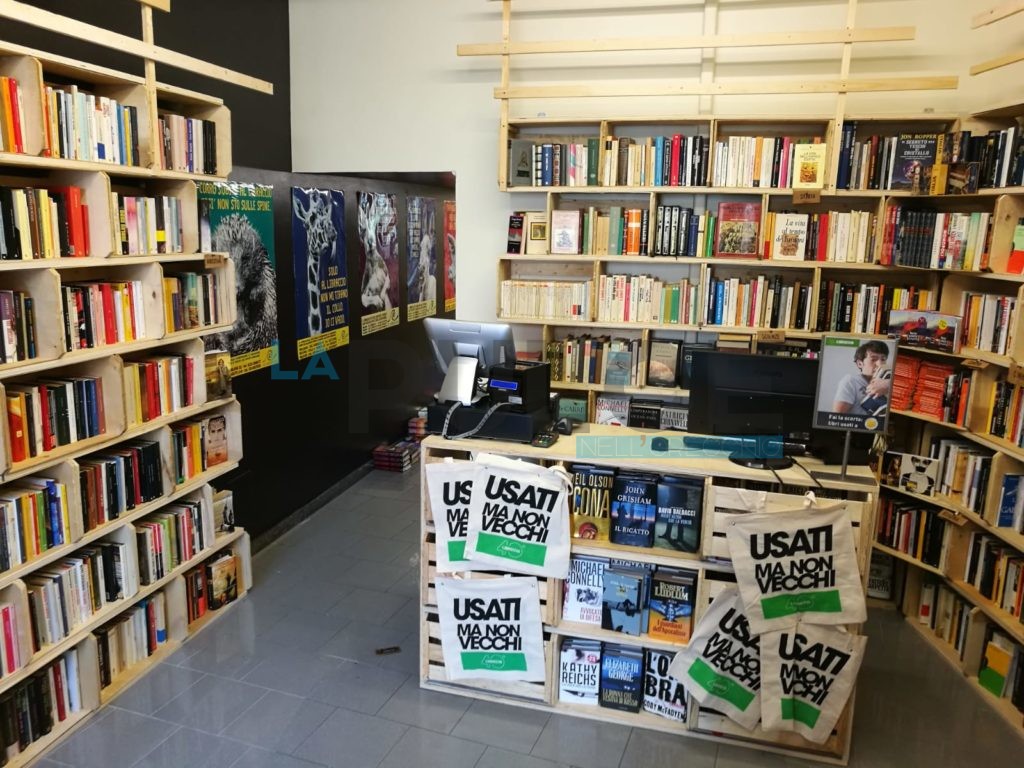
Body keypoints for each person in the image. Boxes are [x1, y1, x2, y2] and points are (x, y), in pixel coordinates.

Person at [832, 340, 890, 415]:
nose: (880, 364)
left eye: (883, 359)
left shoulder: (887, 380)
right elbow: (837, 416)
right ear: (860, 364)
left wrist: (888, 384)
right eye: (873, 359)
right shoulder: (850, 381)